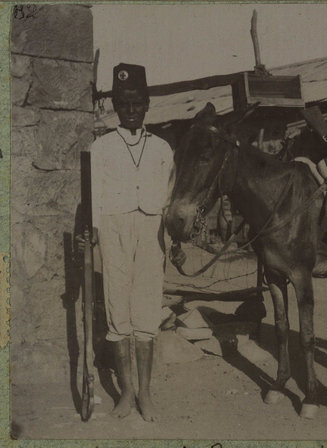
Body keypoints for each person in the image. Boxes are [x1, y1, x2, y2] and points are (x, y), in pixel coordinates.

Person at [90, 63, 174, 422]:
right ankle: (125, 392)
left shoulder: (163, 148)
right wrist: (92, 231)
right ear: (114, 105)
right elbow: (92, 194)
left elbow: (169, 194)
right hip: (114, 226)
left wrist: (171, 233)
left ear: (147, 104)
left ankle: (147, 394)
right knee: (117, 305)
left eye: (137, 102)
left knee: (147, 307)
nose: (131, 109)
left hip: (151, 228)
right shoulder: (102, 146)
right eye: (123, 103)